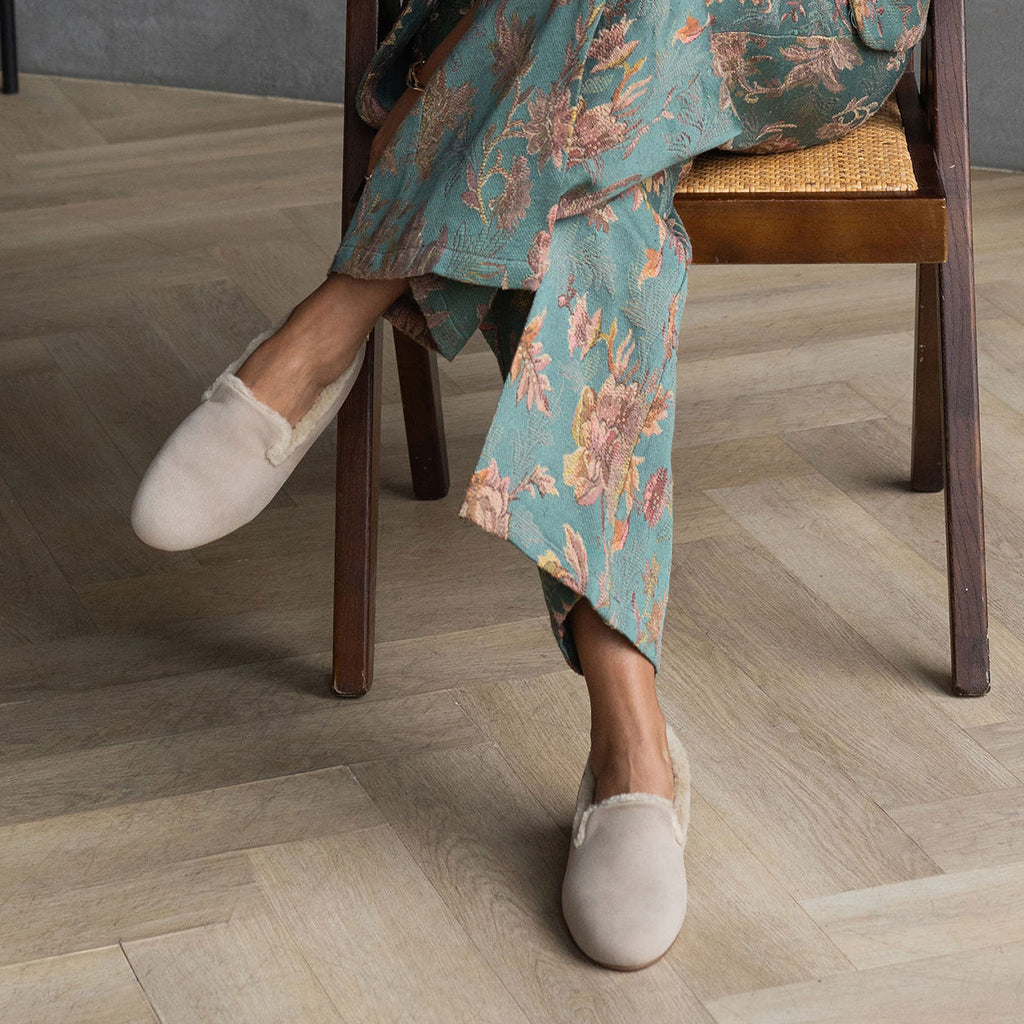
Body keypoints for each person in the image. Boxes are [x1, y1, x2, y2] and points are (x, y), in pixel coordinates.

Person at [131, 0, 930, 970]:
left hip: (794, 27)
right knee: (597, 187)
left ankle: (328, 325)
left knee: (594, 52)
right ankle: (628, 731)